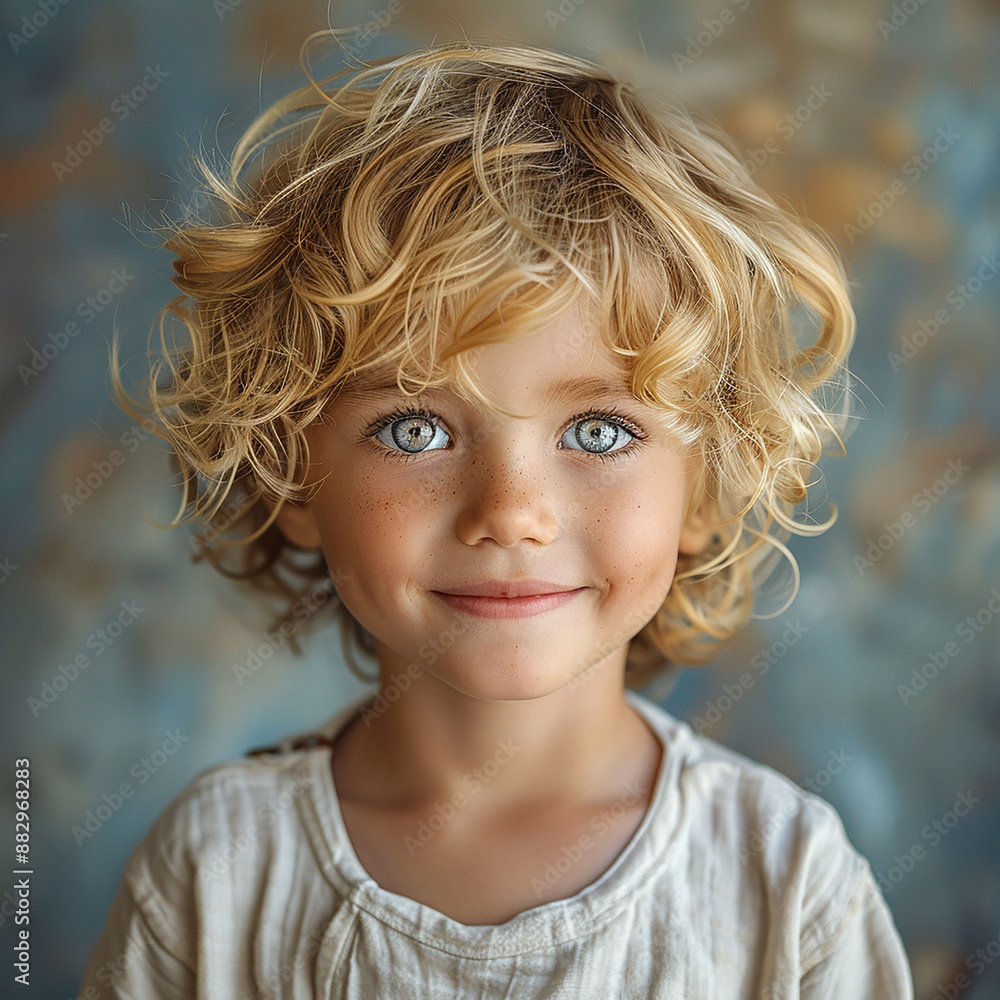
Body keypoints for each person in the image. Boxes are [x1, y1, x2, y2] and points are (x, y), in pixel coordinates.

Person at [81, 34, 914, 998]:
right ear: (289, 479)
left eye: (600, 432)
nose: (510, 513)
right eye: (413, 429)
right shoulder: (216, 877)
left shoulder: (785, 885)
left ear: (708, 488)